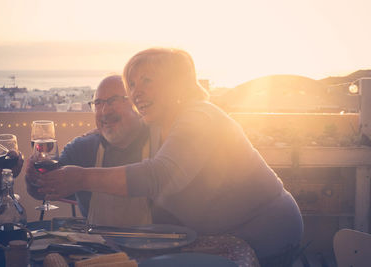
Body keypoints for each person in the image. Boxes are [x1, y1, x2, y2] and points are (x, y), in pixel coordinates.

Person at [37, 48, 303, 263]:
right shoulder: (156, 126)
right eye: (132, 83)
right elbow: (118, 141)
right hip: (216, 239)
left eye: (147, 80)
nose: (136, 91)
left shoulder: (199, 116)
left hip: (265, 233)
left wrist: (82, 178)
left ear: (176, 85)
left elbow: (160, 175)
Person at [25, 75, 152, 226]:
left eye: (113, 100)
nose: (105, 111)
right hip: (98, 246)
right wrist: (33, 179)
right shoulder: (82, 148)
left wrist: (82, 178)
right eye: (98, 103)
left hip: (156, 246)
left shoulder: (159, 141)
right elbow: (44, 191)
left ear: (135, 104)